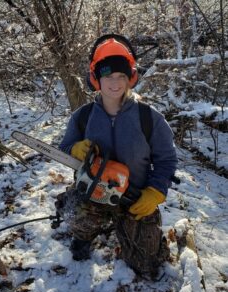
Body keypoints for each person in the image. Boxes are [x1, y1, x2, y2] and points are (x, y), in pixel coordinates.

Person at [58, 34, 178, 279]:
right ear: (96, 79)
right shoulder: (82, 116)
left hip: (133, 195)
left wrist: (155, 191)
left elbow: (167, 159)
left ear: (130, 77)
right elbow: (65, 146)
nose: (115, 83)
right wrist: (74, 149)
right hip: (94, 191)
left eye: (121, 76)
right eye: (108, 76)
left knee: (146, 264)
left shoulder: (148, 118)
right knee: (76, 214)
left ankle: (135, 234)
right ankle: (83, 235)